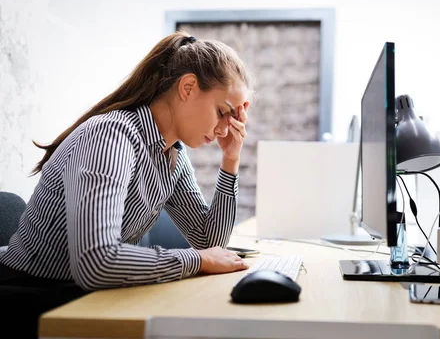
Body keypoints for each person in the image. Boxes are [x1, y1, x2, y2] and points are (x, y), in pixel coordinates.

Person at [0, 32, 254, 336]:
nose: (227, 128)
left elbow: (208, 239)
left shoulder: (170, 153)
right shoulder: (111, 137)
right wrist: (196, 260)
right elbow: (96, 261)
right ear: (187, 88)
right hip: (29, 296)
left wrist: (231, 160)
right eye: (223, 112)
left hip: (82, 296)